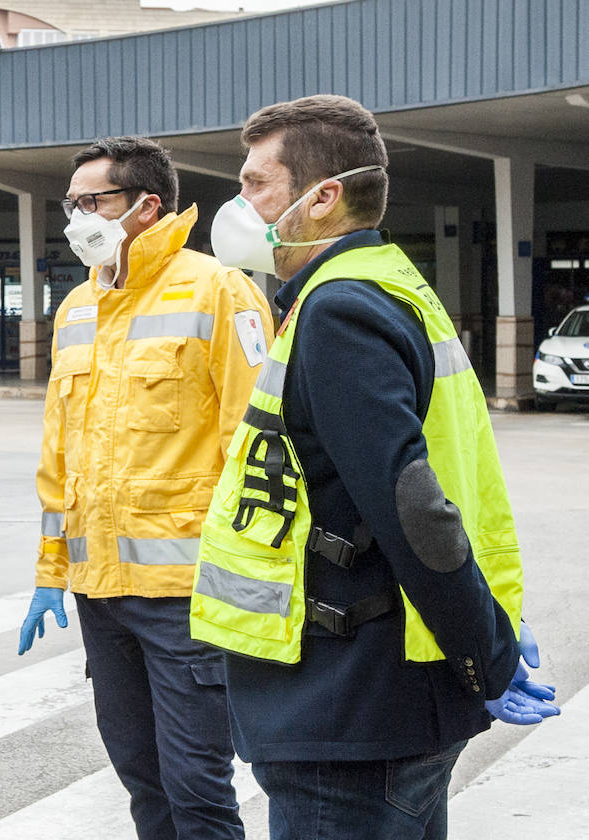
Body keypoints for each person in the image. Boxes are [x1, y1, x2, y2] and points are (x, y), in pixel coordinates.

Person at [191, 94, 558, 840]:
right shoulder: (387, 285)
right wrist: (484, 637)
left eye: (257, 182)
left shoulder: (340, 310)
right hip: (382, 700)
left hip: (348, 704)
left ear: (322, 198)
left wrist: (484, 654)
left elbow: (411, 505)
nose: (238, 202)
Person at [19, 136, 271, 840]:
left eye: (90, 201)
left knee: (197, 788)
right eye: (70, 203)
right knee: (140, 776)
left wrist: (249, 586)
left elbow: (257, 445)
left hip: (187, 597)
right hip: (101, 595)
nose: (75, 218)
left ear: (145, 204)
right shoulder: (76, 308)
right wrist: (51, 572)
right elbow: (59, 459)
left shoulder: (221, 291)